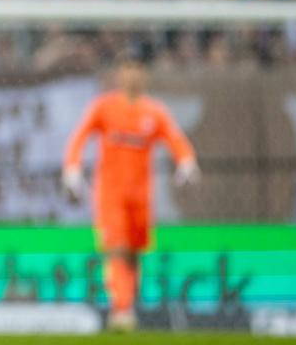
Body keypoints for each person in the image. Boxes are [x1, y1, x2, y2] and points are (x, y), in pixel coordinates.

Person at [62, 57, 200, 332]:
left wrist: (186, 161)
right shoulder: (104, 107)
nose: (132, 76)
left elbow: (174, 138)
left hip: (140, 195)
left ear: (144, 75)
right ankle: (121, 308)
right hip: (110, 194)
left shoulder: (154, 111)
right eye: (127, 70)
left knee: (134, 253)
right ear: (119, 75)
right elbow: (79, 136)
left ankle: (127, 307)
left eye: (137, 70)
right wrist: (72, 168)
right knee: (118, 249)